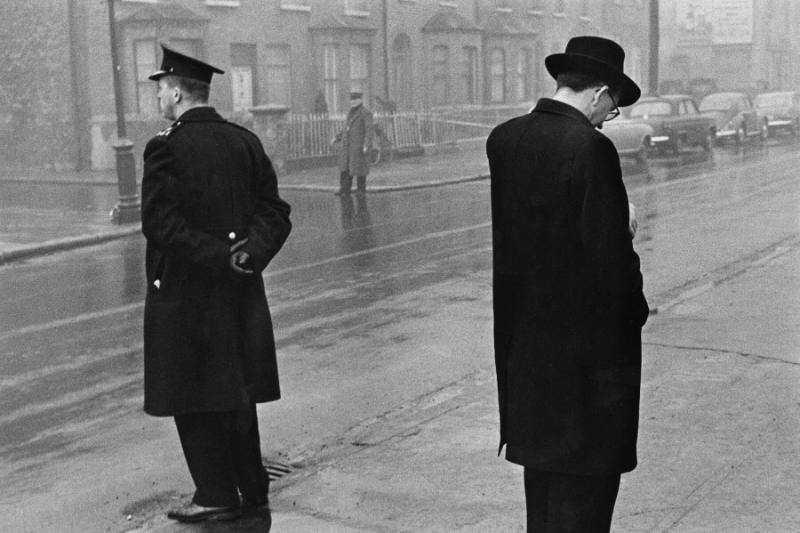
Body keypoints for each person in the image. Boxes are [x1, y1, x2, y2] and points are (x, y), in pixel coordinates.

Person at [486, 36, 650, 532]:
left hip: (529, 360)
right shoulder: (589, 147)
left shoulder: (505, 139)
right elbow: (608, 270)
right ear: (599, 93)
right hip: (588, 374)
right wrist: (624, 230)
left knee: (545, 503)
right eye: (612, 108)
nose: (607, 119)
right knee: (585, 506)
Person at [140, 45, 292, 523]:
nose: (160, 96)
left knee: (194, 396)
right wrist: (247, 254)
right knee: (238, 390)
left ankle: (214, 494)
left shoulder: (165, 146)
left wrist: (216, 257)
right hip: (241, 292)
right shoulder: (243, 141)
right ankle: (252, 485)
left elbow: (159, 224)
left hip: (187, 295)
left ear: (178, 92)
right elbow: (275, 213)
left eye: (161, 88)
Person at [333, 91, 373, 196]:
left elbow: (369, 131)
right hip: (347, 146)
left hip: (358, 146)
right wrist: (337, 137)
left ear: (360, 100)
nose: (353, 102)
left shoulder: (365, 113)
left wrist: (366, 145)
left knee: (360, 169)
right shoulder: (350, 113)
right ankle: (344, 189)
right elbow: (345, 129)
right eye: (352, 100)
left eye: (356, 99)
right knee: (345, 168)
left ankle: (361, 190)